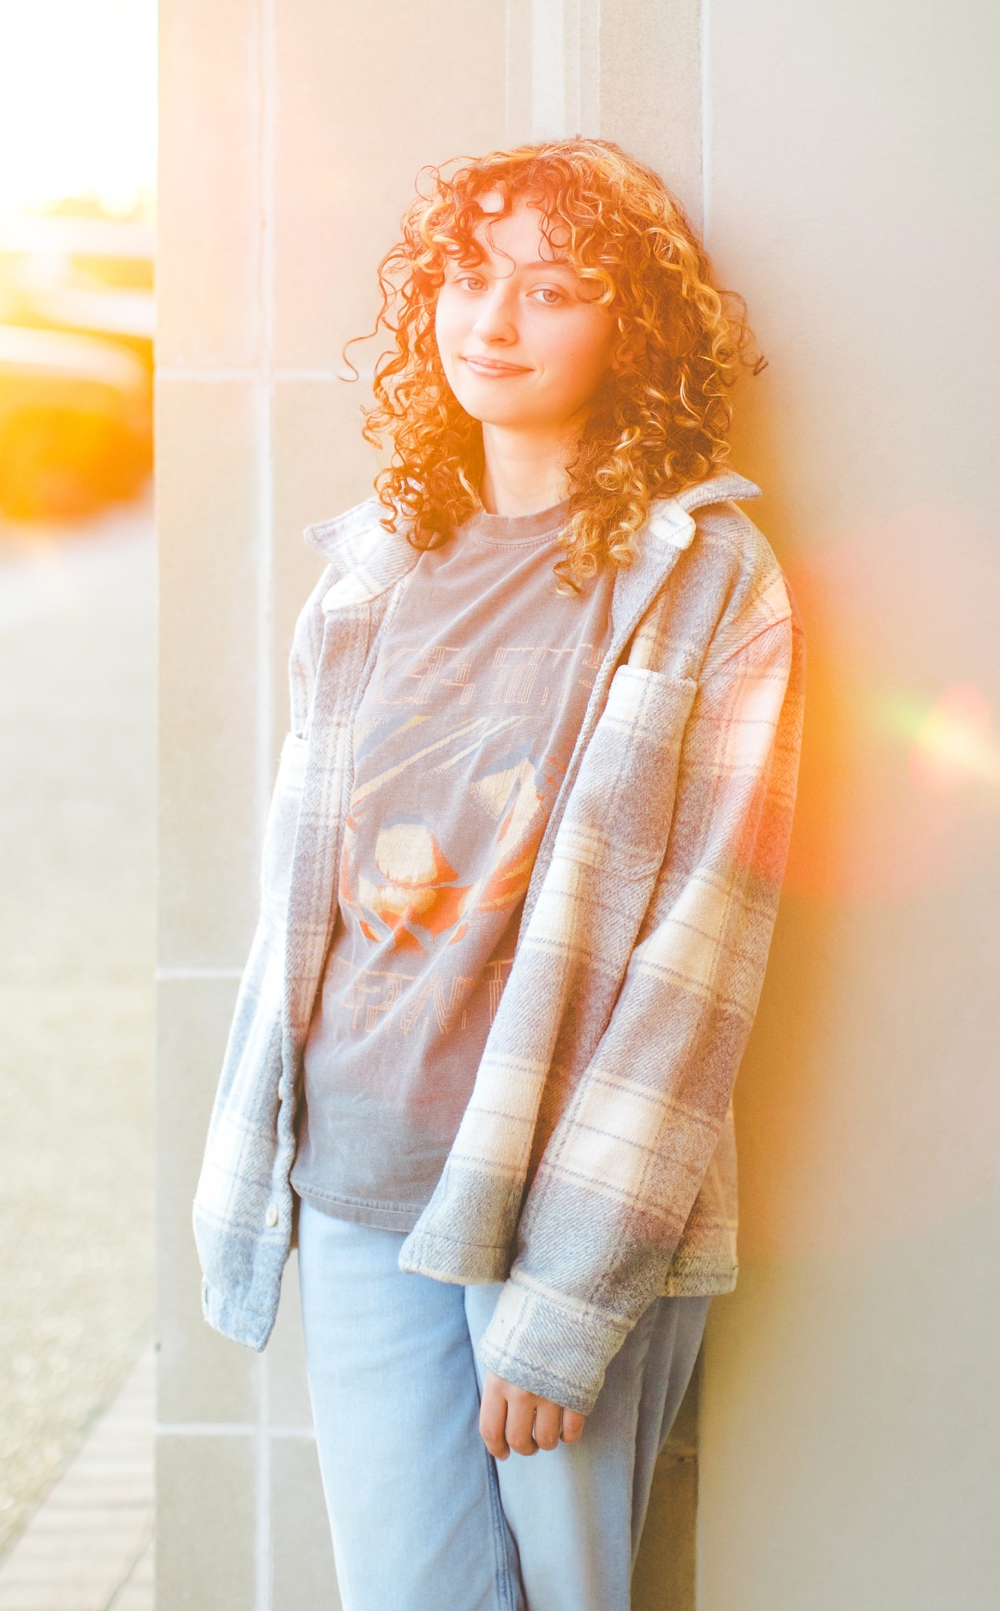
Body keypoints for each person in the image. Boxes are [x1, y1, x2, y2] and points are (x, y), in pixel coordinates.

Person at [194, 140, 804, 1611]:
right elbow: (304, 907)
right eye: (468, 277)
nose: (495, 320)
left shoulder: (706, 579)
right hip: (352, 1174)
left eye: (554, 288)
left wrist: (572, 1292)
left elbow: (700, 957)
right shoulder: (372, 565)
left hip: (548, 1193)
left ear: (631, 326)